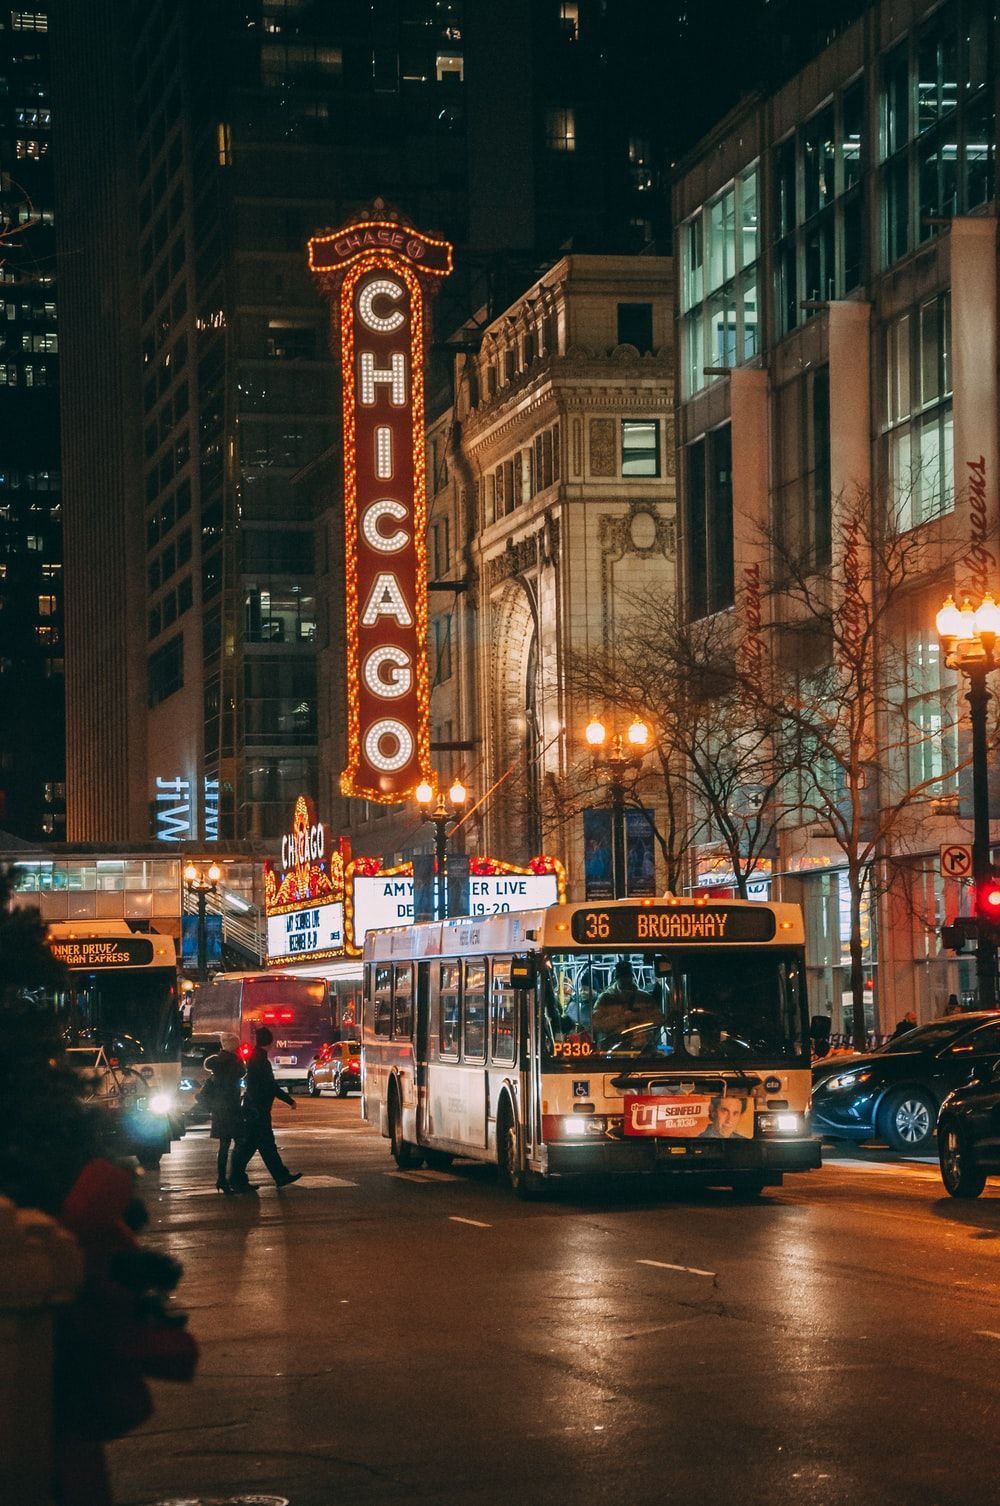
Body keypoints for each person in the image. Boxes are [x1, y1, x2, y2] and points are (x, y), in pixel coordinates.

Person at [228, 1027, 303, 1192]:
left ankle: (278, 1175)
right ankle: (237, 1179)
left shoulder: (255, 1058)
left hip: (253, 1109)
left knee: (262, 1145)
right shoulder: (261, 1061)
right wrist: (289, 1100)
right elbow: (271, 1086)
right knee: (255, 1146)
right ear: (270, 1042)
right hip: (258, 1111)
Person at [202, 1033, 244, 1194]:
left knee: (224, 1145)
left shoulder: (217, 1063)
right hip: (231, 1109)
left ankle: (222, 1178)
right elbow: (242, 1072)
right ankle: (235, 1177)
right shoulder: (234, 1063)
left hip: (219, 1109)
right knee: (241, 1142)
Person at [592, 959, 662, 1039]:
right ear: (616, 978)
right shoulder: (605, 999)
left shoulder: (644, 998)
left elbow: (658, 1019)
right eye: (622, 977)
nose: (625, 980)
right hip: (613, 1047)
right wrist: (623, 1018)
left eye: (627, 976)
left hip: (642, 1047)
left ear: (632, 977)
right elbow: (596, 1024)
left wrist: (639, 1024)